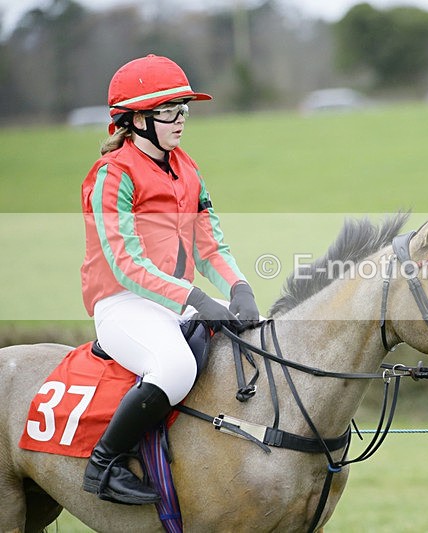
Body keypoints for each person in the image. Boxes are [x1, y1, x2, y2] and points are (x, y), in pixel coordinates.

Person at [79, 54, 261, 505]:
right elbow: (126, 264)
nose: (181, 119)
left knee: (260, 342)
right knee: (177, 367)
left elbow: (211, 246)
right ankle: (103, 464)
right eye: (169, 110)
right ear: (136, 119)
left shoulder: (188, 168)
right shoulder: (111, 175)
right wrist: (198, 297)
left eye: (184, 108)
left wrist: (240, 289)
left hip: (174, 301)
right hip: (122, 304)